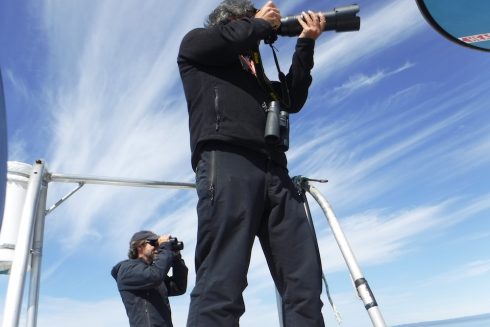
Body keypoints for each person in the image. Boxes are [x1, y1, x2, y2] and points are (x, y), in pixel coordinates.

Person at [177, 0, 326, 326]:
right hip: (228, 163)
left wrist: (306, 43)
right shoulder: (196, 48)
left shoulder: (256, 77)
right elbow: (229, 40)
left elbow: (293, 99)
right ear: (231, 25)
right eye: (249, 24)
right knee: (222, 279)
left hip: (276, 172)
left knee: (304, 281)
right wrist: (258, 24)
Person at [111, 230, 188, 327]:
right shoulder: (126, 270)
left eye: (158, 244)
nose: (157, 247)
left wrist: (177, 258)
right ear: (139, 246)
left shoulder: (152, 272)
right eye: (154, 243)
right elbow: (155, 276)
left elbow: (178, 287)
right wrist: (164, 247)